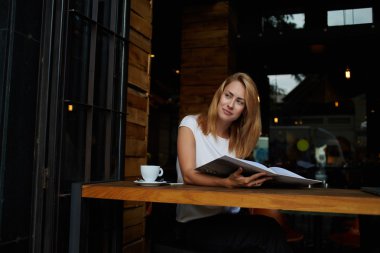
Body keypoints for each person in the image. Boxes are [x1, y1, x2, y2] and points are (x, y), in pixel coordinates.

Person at [175, 72, 293, 253]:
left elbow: (235, 184)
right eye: (228, 95)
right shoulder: (190, 125)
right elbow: (189, 175)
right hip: (195, 224)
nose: (230, 105)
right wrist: (226, 182)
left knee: (271, 227)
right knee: (268, 234)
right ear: (219, 95)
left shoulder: (237, 142)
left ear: (245, 110)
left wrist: (250, 182)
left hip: (229, 219)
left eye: (239, 101)